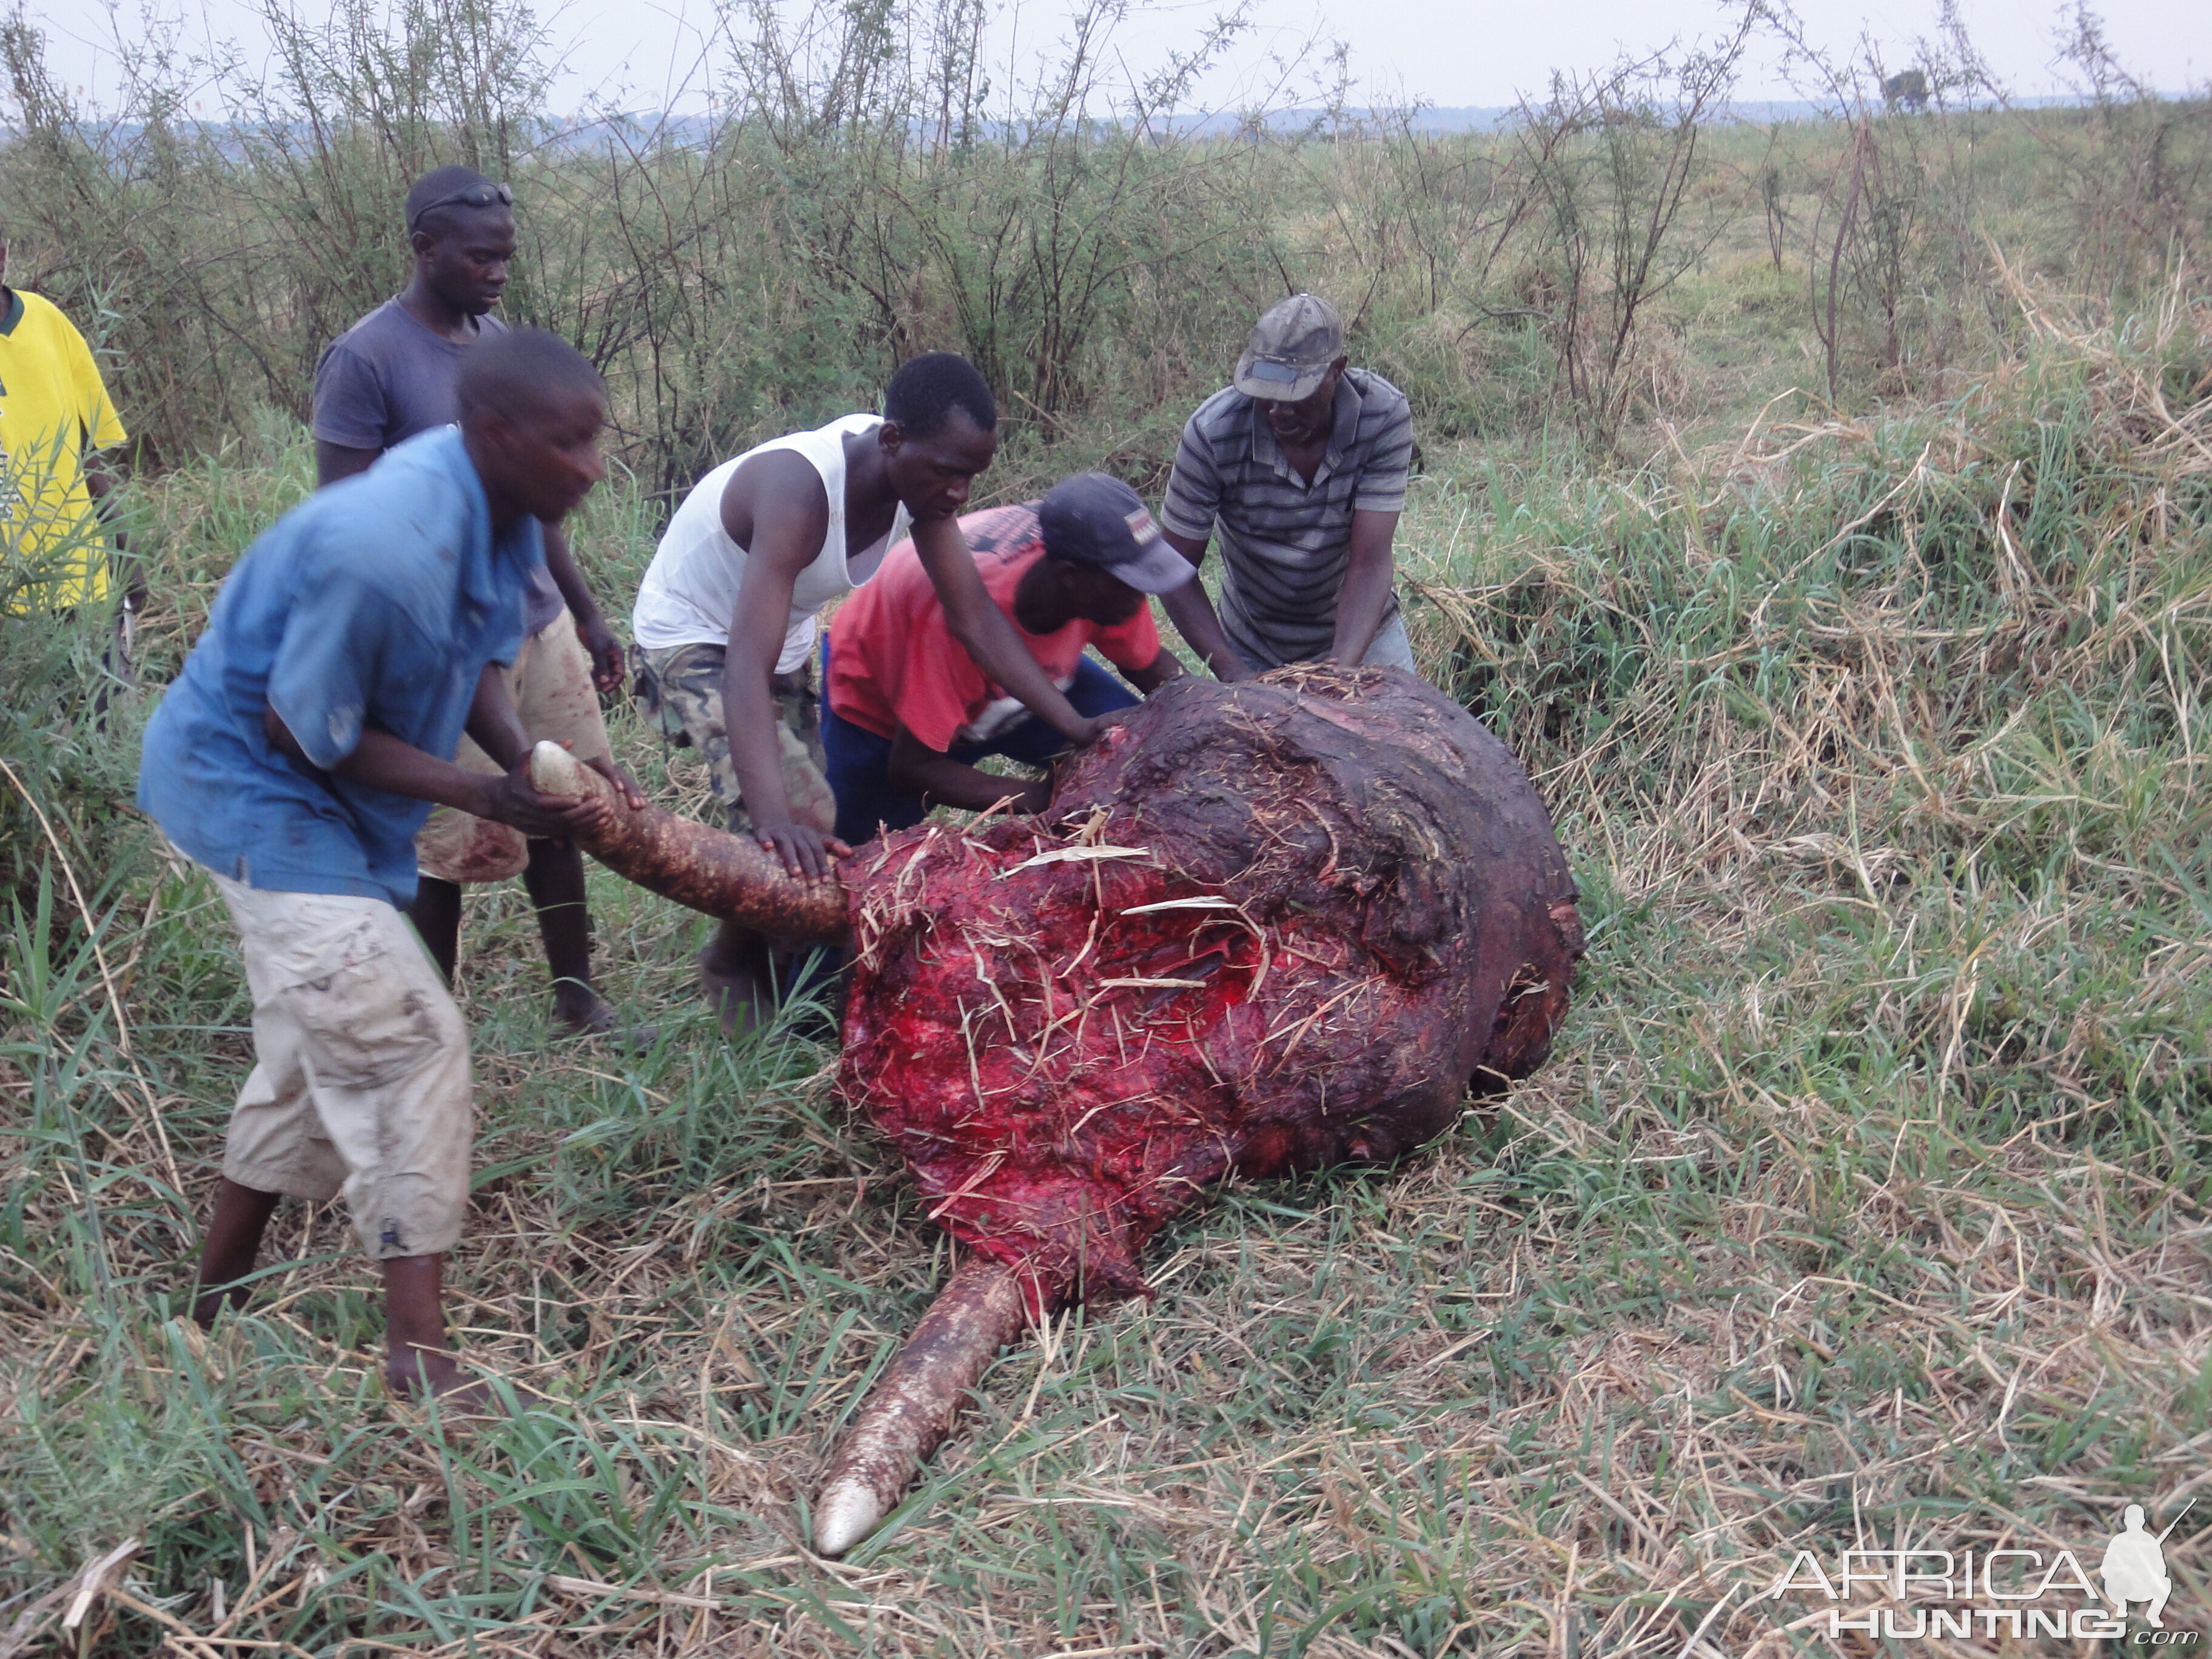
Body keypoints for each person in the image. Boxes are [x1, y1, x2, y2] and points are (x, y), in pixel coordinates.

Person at [140, 329, 645, 1405]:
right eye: (571, 444)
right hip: (255, 794)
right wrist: (480, 792)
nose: (592, 468)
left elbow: (469, 660)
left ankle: (209, 1305)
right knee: (409, 1041)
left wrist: (531, 764)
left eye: (596, 440)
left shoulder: (503, 509)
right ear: (497, 433)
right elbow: (295, 730)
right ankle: (417, 1359)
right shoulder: (387, 548)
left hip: (325, 802)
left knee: (312, 1044)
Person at [631, 354, 1126, 1028]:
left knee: (813, 817)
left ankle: (759, 953)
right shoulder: (800, 493)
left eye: (971, 477)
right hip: (693, 633)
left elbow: (975, 615)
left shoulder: (911, 477)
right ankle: (729, 964)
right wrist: (770, 812)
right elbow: (745, 665)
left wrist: (1072, 726)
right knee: (791, 814)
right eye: (950, 473)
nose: (959, 492)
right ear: (893, 440)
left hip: (780, 639)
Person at [312, 166, 631, 1039]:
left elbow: (534, 497)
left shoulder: (498, 347)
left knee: (564, 808)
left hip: (534, 620)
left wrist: (589, 611)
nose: (497, 274)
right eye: (480, 256)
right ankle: (429, 1025)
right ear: (425, 247)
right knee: (443, 845)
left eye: (506, 257)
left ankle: (577, 998)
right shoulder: (366, 358)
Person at [822, 472, 1190, 845]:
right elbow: (914, 768)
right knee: (861, 853)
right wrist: (1051, 799)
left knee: (1134, 758)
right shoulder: (954, 623)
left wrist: (1211, 712)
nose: (1141, 598)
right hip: (883, 701)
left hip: (1029, 673)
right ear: (1070, 577)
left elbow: (1152, 667)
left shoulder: (1102, 571)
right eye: (1131, 584)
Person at [1156, 293, 1418, 679]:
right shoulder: (1213, 433)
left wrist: (1339, 675)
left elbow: (1369, 563)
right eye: (1266, 393)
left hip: (1362, 633)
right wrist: (1237, 676)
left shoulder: (1382, 415)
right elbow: (1173, 569)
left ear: (1338, 370)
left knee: (1399, 735)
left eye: (1297, 395)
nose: (1278, 411)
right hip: (1254, 644)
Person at [0, 227, 134, 626]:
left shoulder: (46, 320)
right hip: (7, 595)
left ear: (3, 253)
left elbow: (88, 455)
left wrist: (124, 554)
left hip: (78, 574)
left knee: (96, 688)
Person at [2100, 1505, 2173, 1626]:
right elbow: (2106, 1567)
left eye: (2138, 1521)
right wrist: (2121, 1571)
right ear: (2126, 1521)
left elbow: (2161, 1567)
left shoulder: (2150, 1541)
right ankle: (2121, 1609)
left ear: (2143, 1521)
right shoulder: (2119, 1540)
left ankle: (2153, 1615)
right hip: (2123, 1587)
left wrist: (2150, 1573)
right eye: (2132, 1520)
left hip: (2145, 1587)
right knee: (2112, 1583)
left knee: (2166, 1583)